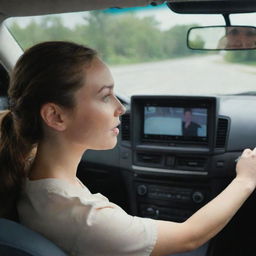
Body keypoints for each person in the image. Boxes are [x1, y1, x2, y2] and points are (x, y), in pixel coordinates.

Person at [1, 41, 256, 256]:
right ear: (55, 116)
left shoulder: (24, 165)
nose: (121, 108)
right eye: (104, 96)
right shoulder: (86, 218)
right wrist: (245, 179)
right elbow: (189, 237)